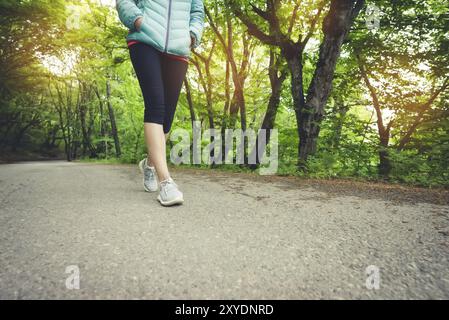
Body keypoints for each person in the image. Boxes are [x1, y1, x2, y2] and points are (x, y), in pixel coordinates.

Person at [116, 0, 205, 206]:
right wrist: (138, 20)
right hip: (145, 40)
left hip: (179, 48)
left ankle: (149, 164)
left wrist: (192, 36)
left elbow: (198, 11)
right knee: (155, 106)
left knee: (167, 118)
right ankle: (166, 183)